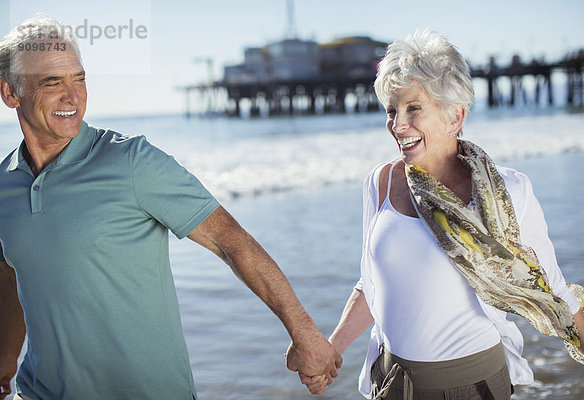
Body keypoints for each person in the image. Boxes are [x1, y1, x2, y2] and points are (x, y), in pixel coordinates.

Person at [0, 16, 342, 400]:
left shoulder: (131, 161)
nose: (73, 96)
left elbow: (231, 242)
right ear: (11, 93)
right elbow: (12, 273)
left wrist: (305, 333)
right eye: (52, 83)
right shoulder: (3, 186)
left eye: (79, 79)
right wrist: (4, 361)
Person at [300, 30, 584, 399]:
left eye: (414, 109)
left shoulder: (508, 192)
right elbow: (372, 283)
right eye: (392, 110)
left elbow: (553, 288)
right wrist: (332, 349)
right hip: (392, 383)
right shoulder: (380, 182)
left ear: (454, 115)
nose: (397, 125)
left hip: (471, 386)